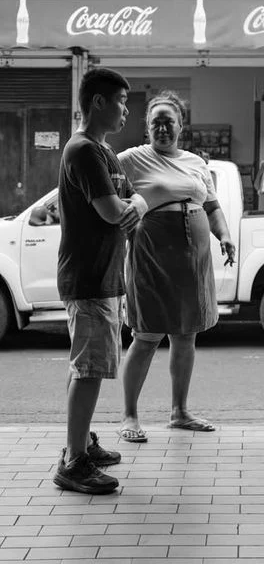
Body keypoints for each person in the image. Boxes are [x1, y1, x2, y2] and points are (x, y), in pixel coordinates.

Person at [116, 90, 236, 443]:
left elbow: (212, 207)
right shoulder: (130, 160)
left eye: (169, 122)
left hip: (192, 258)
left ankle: (179, 412)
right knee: (147, 335)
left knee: (186, 335)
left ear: (181, 125)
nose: (162, 129)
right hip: (151, 254)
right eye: (156, 123)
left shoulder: (196, 163)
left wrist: (224, 236)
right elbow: (110, 200)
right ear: (147, 128)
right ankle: (129, 415)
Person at [54, 68, 148, 494]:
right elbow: (115, 213)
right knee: (88, 370)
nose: (126, 109)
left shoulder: (104, 151)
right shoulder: (83, 152)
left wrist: (139, 203)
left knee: (89, 368)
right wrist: (133, 207)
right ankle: (73, 462)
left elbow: (132, 201)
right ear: (97, 102)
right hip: (89, 277)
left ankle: (81, 444)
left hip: (105, 277)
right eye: (121, 101)